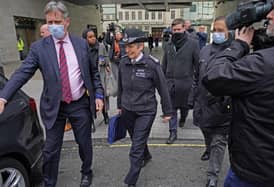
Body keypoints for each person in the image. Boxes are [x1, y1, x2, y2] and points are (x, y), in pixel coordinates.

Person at [0, 1, 104, 187]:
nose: (53, 26)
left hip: (79, 103)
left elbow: (94, 73)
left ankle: (86, 171)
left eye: (57, 21)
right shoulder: (39, 48)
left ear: (67, 22)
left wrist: (98, 96)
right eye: (49, 22)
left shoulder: (81, 45)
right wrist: (4, 96)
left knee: (84, 144)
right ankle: (49, 182)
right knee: (50, 150)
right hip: (54, 106)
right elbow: (22, 73)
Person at [202, 0, 274, 186]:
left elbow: (213, 77)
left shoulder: (266, 63)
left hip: (257, 171)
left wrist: (238, 45)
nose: (268, 15)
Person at [118, 28, 172, 187]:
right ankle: (146, 155)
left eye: (131, 47)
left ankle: (131, 180)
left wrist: (167, 111)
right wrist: (120, 105)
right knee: (137, 139)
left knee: (136, 146)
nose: (128, 50)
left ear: (141, 46)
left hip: (146, 111)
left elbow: (163, 89)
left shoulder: (152, 65)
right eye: (125, 46)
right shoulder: (123, 62)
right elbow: (121, 87)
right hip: (128, 109)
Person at [189, 16, 232, 187]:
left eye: (221, 30)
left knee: (218, 141)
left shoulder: (236, 52)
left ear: (231, 32)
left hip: (222, 108)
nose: (217, 33)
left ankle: (212, 176)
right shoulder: (205, 50)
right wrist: (192, 98)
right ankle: (207, 147)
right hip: (202, 104)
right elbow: (196, 76)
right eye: (215, 30)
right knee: (207, 133)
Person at [162, 18, 200, 144]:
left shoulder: (193, 43)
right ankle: (173, 133)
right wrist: (162, 80)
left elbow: (197, 64)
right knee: (171, 108)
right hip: (170, 83)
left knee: (184, 107)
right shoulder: (168, 44)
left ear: (184, 28)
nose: (177, 32)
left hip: (186, 83)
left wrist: (196, 81)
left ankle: (183, 118)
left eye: (179, 29)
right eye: (174, 30)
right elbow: (164, 63)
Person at [83, 28, 110, 124]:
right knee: (89, 98)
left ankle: (105, 115)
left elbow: (106, 56)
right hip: (88, 77)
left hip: (100, 75)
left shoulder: (101, 46)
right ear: (85, 39)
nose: (93, 38)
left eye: (94, 36)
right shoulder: (82, 49)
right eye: (90, 37)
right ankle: (91, 121)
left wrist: (107, 65)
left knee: (102, 96)